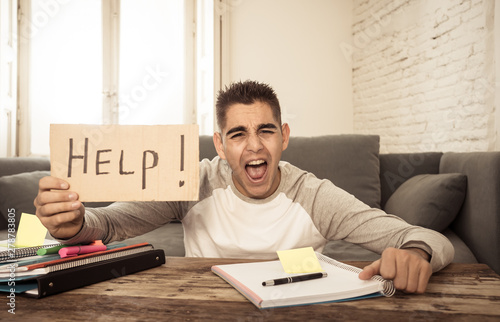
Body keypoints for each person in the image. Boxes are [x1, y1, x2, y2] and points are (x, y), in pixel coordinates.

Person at [35, 80, 454, 294]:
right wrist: (71, 223)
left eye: (266, 131)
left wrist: (416, 253)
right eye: (237, 134)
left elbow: (425, 237)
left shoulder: (313, 194)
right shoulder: (192, 180)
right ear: (219, 143)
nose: (254, 146)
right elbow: (109, 224)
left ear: (284, 136)